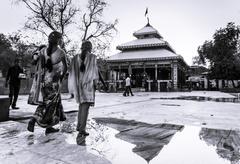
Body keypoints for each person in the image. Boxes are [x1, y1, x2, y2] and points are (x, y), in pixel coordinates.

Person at [27, 31, 67, 134]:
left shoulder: (43, 51)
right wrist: (61, 78)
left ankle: (49, 127)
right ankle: (34, 119)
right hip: (54, 83)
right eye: (60, 38)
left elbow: (34, 61)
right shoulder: (61, 52)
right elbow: (66, 68)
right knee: (50, 105)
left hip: (44, 82)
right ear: (58, 40)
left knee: (47, 103)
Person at [68, 40, 107, 145]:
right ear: (90, 48)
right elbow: (96, 72)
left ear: (81, 47)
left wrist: (73, 87)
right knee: (85, 107)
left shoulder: (75, 58)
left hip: (79, 86)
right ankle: (82, 129)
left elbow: (71, 73)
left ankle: (79, 126)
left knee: (81, 106)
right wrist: (101, 83)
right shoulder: (92, 57)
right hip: (88, 86)